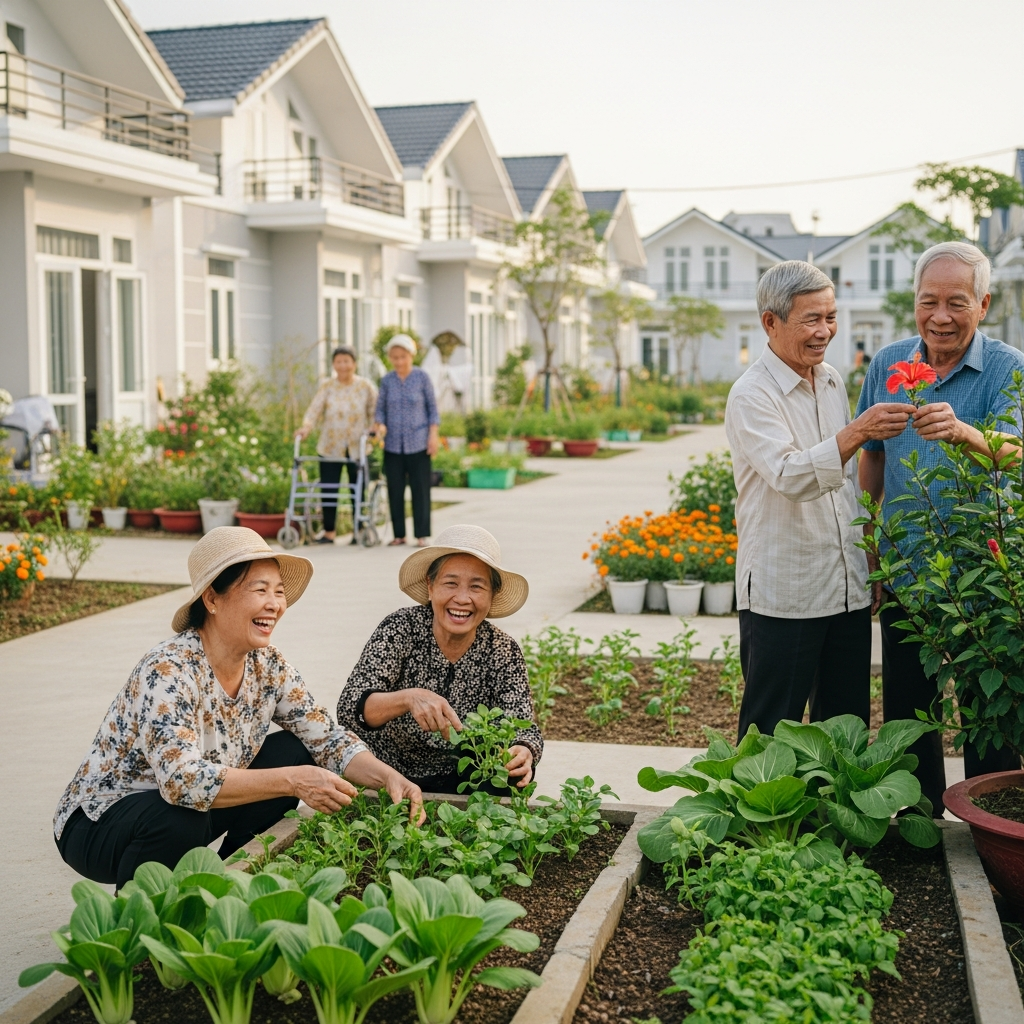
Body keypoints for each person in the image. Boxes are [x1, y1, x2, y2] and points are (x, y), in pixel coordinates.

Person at [53, 527, 424, 889]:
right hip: (99, 822)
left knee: (295, 750)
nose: (274, 604)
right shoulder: (169, 668)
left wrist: (389, 778)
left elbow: (326, 738)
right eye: (260, 590)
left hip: (193, 808)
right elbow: (181, 782)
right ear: (212, 600)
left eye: (279, 591)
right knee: (182, 816)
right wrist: (293, 780)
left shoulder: (269, 665)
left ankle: (233, 879)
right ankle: (138, 915)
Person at [857, 240, 1024, 814]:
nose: (940, 316)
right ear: (914, 302)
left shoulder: (1007, 366)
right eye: (928, 301)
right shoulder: (888, 363)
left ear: (984, 303)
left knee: (991, 711)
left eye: (957, 302)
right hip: (906, 565)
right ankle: (918, 819)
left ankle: (990, 823)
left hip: (984, 573)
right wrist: (870, 541)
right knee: (909, 708)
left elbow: (1016, 452)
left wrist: (963, 432)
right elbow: (872, 455)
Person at [725, 260, 914, 739]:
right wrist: (860, 431)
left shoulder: (830, 380)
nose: (825, 331)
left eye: (831, 317)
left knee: (846, 728)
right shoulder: (751, 394)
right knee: (769, 733)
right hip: (783, 594)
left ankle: (835, 797)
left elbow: (846, 483)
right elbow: (790, 475)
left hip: (845, 590)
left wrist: (866, 553)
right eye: (812, 319)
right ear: (770, 322)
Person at [336, 524, 542, 793]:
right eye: (450, 583)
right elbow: (350, 708)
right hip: (390, 771)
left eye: (477, 587)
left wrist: (524, 749)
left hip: (469, 778)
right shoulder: (401, 627)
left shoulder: (502, 649)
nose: (462, 598)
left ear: (492, 596)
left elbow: (523, 725)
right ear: (430, 586)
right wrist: (408, 698)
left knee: (513, 771)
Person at [297, 346, 378, 545]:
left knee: (357, 489)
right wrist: (306, 427)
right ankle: (329, 532)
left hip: (357, 447)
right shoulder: (327, 386)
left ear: (354, 363)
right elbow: (314, 410)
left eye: (346, 361)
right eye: (338, 361)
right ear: (333, 364)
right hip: (330, 446)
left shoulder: (365, 386)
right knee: (329, 488)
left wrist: (375, 429)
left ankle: (359, 530)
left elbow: (375, 412)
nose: (343, 365)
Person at [374, 334, 439, 547]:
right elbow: (380, 409)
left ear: (411, 355)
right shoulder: (387, 381)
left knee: (420, 490)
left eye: (403, 356)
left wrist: (433, 435)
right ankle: (399, 535)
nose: (399, 361)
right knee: (395, 490)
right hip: (393, 444)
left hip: (419, 443)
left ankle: (421, 535)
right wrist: (380, 425)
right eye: (395, 357)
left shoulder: (422, 378)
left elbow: (433, 410)